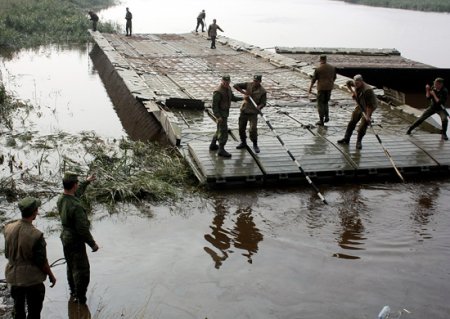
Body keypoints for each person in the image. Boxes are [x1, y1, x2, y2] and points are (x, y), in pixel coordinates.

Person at [4, 197, 57, 319]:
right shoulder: (36, 235)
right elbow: (42, 262)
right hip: (32, 281)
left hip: (13, 278)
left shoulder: (8, 228)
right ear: (34, 212)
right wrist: (51, 275)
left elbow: (7, 254)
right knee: (34, 313)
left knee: (18, 311)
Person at [58, 172, 99, 305]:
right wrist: (92, 244)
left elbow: (76, 193)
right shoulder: (76, 206)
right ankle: (81, 299)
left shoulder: (62, 199)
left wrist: (86, 182)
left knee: (70, 266)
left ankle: (73, 292)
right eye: (77, 184)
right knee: (82, 270)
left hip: (65, 238)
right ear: (74, 185)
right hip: (75, 241)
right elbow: (82, 229)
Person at [337, 74, 378, 150]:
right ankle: (346, 138)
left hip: (369, 106)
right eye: (355, 84)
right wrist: (353, 92)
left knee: (363, 125)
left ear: (361, 81)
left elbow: (369, 106)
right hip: (360, 104)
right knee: (352, 121)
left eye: (357, 84)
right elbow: (348, 83)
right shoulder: (354, 83)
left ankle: (358, 142)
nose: (356, 85)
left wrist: (368, 116)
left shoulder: (367, 90)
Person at [211, 75, 243, 158]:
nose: (226, 84)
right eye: (224, 82)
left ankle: (213, 144)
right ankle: (221, 149)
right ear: (221, 81)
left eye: (227, 82)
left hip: (225, 112)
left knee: (219, 129)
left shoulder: (228, 88)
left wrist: (242, 98)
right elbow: (214, 106)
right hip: (221, 114)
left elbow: (232, 97)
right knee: (224, 131)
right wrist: (218, 116)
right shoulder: (218, 92)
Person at [233, 75, 267, 153]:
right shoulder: (248, 84)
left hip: (253, 112)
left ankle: (255, 144)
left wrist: (260, 106)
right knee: (241, 127)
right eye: (254, 80)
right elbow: (235, 85)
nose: (255, 82)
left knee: (253, 129)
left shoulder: (263, 91)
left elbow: (263, 103)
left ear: (260, 81)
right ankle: (243, 142)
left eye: (257, 81)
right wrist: (243, 92)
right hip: (244, 110)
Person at [308, 55, 336, 126]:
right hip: (329, 88)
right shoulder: (332, 68)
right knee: (326, 102)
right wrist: (330, 83)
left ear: (320, 60)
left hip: (321, 88)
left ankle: (321, 120)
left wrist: (310, 88)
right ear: (326, 59)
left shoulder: (318, 69)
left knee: (320, 104)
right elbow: (334, 77)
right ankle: (326, 116)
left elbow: (314, 79)